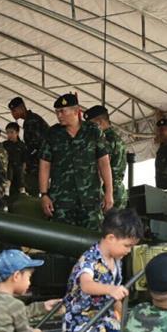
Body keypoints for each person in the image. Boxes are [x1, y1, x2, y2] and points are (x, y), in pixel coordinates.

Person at [39, 93, 113, 231]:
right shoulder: (52, 134)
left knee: (92, 243)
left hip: (90, 200)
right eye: (57, 112)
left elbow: (104, 162)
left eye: (62, 111)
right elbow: (44, 164)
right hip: (61, 201)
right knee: (61, 242)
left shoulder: (93, 131)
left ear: (76, 111)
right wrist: (44, 195)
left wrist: (109, 192)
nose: (59, 115)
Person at [84, 105, 127, 209]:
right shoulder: (116, 138)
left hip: (106, 193)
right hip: (118, 192)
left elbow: (101, 167)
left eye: (91, 124)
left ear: (99, 122)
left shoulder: (105, 140)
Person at [8, 96, 49, 195]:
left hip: (39, 160)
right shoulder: (31, 119)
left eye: (14, 110)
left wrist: (25, 159)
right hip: (41, 158)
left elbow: (34, 145)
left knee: (31, 184)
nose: (13, 113)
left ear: (22, 108)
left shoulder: (31, 121)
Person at [2, 121, 29, 197]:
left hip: (18, 166)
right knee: (9, 168)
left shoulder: (22, 146)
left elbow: (24, 160)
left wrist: (23, 169)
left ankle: (22, 190)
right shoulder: (5, 144)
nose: (9, 135)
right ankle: (7, 189)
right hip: (8, 166)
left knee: (19, 172)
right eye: (7, 133)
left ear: (17, 132)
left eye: (11, 132)